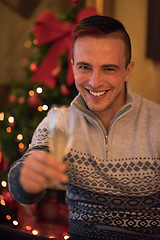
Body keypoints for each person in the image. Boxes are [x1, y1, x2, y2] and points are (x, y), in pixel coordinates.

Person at [8, 15, 160, 240]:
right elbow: (24, 172)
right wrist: (25, 179)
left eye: (109, 68)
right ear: (73, 67)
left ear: (128, 70)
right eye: (85, 67)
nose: (94, 82)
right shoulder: (59, 120)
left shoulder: (157, 122)